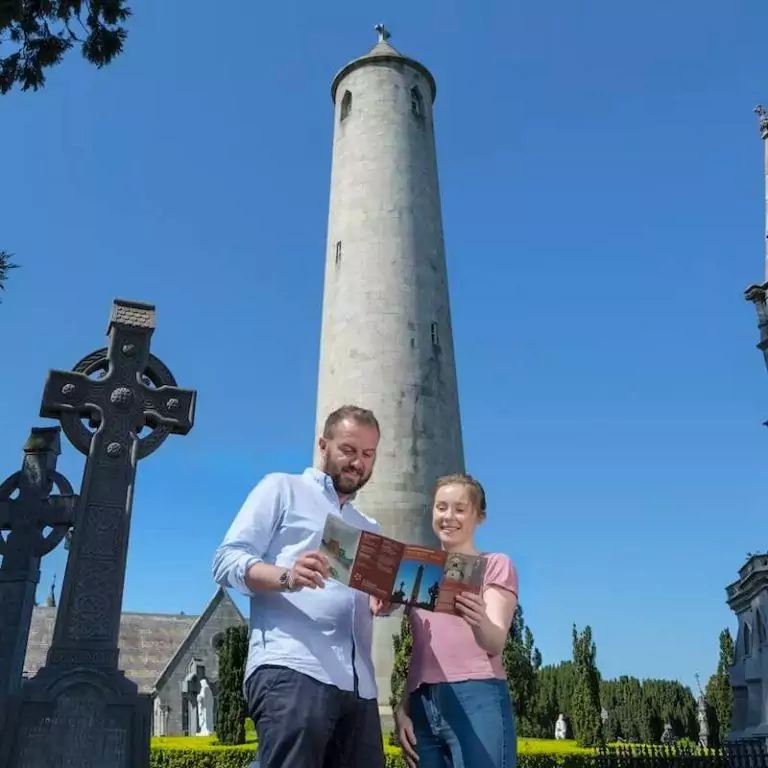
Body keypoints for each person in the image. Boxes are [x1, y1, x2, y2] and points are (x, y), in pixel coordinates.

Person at [212, 405, 388, 768]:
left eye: (368, 455)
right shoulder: (282, 488)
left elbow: (371, 599)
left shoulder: (370, 526)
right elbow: (226, 561)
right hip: (293, 670)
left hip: (360, 688)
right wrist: (287, 577)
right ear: (323, 445)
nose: (358, 463)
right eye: (349, 450)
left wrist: (386, 600)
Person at [395, 473, 519, 768]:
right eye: (441, 507)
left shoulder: (495, 565)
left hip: (476, 695)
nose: (448, 516)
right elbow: (421, 651)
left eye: (460, 509)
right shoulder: (419, 572)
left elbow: (494, 642)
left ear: (480, 516)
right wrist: (404, 706)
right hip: (423, 705)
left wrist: (477, 620)